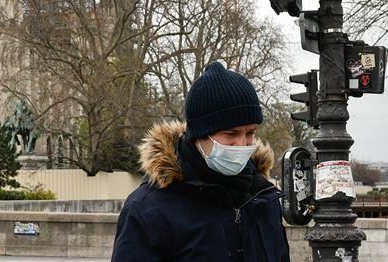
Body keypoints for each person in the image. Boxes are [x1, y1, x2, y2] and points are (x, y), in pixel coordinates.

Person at [112, 61, 290, 261]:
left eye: (250, 133)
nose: (242, 144)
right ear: (199, 136)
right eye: (230, 133)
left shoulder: (264, 198)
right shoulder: (148, 210)